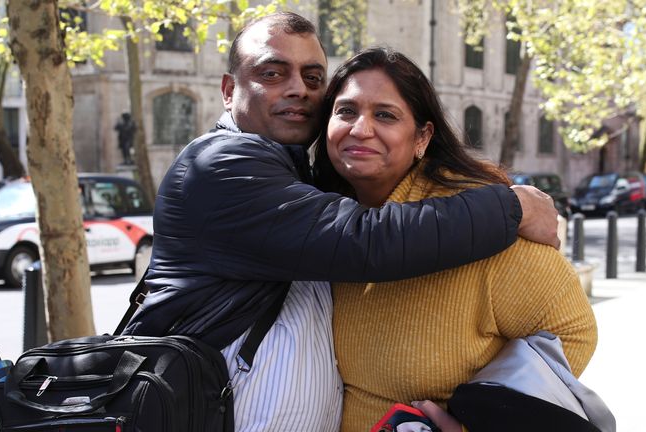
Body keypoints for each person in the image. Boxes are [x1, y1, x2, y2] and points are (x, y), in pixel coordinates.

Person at [122, 12, 560, 431]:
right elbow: (364, 240)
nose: (300, 89)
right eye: (273, 73)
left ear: (422, 136)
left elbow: (563, 336)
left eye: (313, 78)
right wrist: (513, 206)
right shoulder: (220, 166)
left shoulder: (302, 180)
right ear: (228, 89)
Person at [311, 47, 598, 431]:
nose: (360, 129)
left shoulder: (481, 229)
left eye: (385, 115)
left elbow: (573, 330)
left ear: (422, 137)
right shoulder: (325, 219)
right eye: (346, 111)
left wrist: (481, 423)